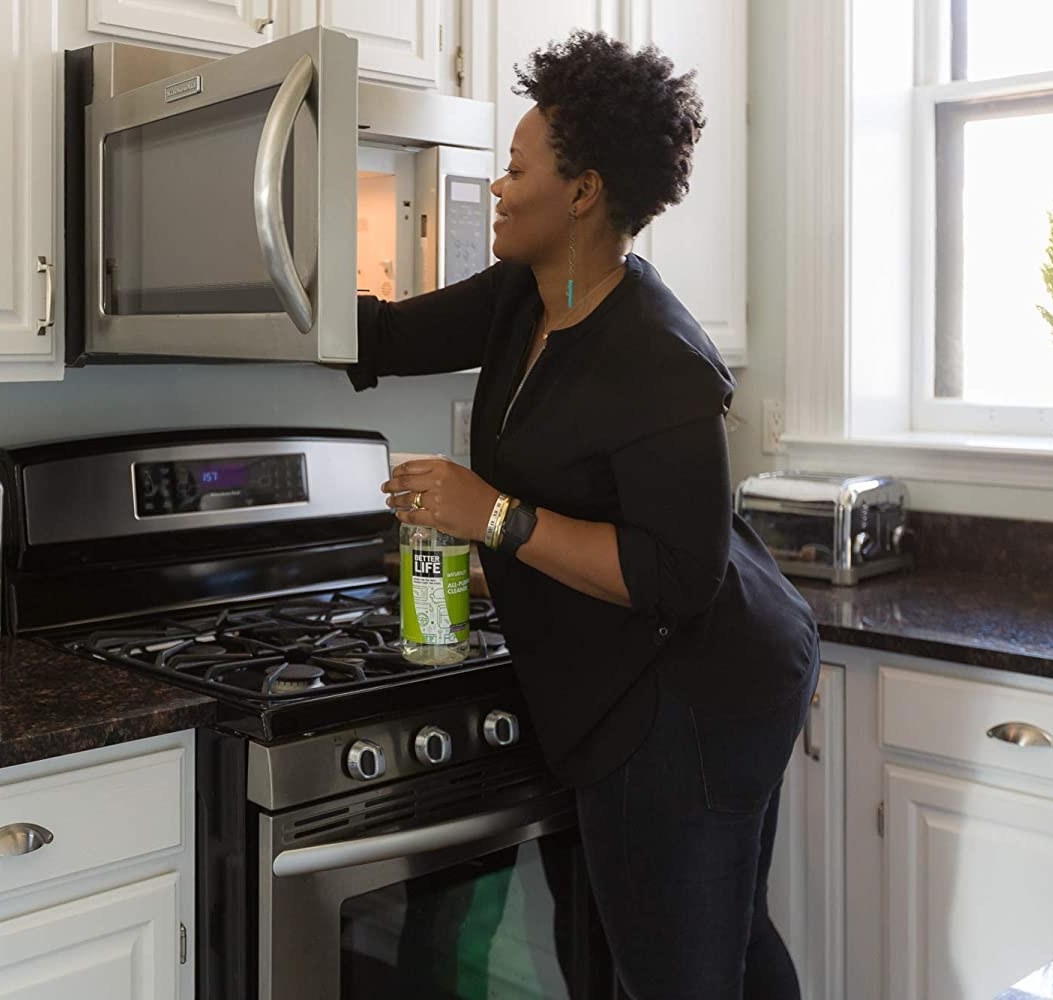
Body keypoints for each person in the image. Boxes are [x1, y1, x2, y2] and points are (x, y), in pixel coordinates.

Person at [342, 30, 821, 1000]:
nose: (501, 188)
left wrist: (495, 519)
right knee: (714, 944)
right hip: (639, 673)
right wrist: (262, 271)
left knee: (674, 970)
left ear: (586, 191)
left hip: (699, 692)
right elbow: (383, 334)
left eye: (517, 169)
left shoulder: (665, 361)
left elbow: (676, 580)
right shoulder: (531, 294)